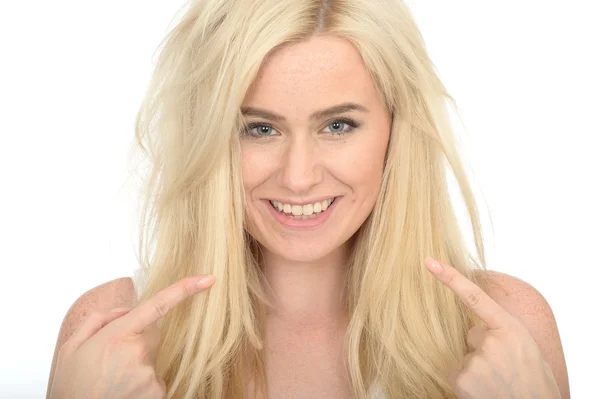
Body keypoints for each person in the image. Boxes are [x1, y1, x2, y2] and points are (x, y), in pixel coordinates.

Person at [46, 0, 570, 398]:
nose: (298, 178)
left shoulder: (505, 327)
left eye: (338, 125)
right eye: (259, 129)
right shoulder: (109, 334)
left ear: (396, 129)